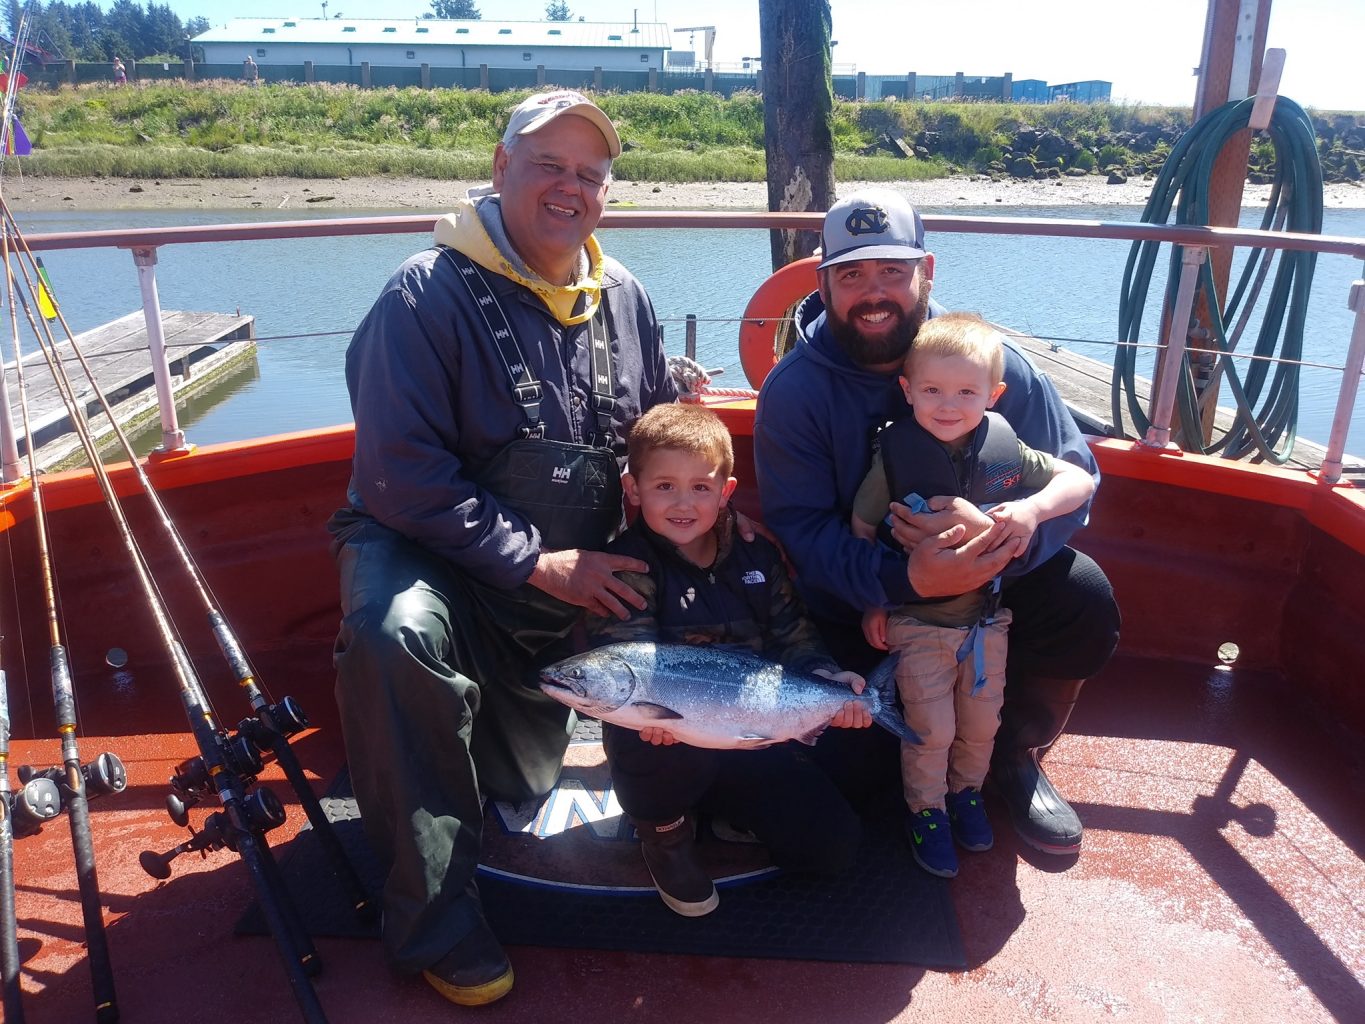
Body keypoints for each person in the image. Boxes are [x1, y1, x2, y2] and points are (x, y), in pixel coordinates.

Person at [329, 90, 681, 1008]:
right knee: (392, 634)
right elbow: (402, 476)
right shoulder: (421, 293)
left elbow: (643, 441)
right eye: (549, 166)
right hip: (429, 554)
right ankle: (433, 923)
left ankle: (681, 814)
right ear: (499, 169)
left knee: (695, 615)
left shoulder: (628, 296)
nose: (572, 188)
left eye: (590, 175)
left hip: (553, 575)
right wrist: (536, 563)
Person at [754, 187, 1121, 858]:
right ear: (823, 281)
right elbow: (802, 530)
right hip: (863, 604)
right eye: (852, 273)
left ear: (927, 271)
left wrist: (1000, 541)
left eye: (892, 271)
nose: (874, 292)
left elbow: (1076, 475)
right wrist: (901, 581)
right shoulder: (795, 391)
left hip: (991, 591)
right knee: (856, 781)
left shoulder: (994, 363)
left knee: (1082, 597)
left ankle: (1011, 756)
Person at [589, 403, 869, 916]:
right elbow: (622, 653)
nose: (683, 502)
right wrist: (650, 714)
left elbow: (795, 636)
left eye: (701, 487)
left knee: (832, 848)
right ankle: (665, 834)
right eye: (664, 486)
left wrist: (827, 677)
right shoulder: (627, 564)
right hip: (665, 745)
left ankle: (721, 812)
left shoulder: (757, 555)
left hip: (749, 730)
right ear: (633, 489)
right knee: (648, 731)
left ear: (727, 492)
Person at [850, 312, 1095, 878]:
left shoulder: (1008, 451)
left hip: (987, 626)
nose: (947, 404)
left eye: (966, 391)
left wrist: (1031, 509)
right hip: (919, 627)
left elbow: (1078, 480)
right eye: (932, 390)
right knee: (931, 729)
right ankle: (926, 810)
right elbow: (862, 531)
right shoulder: (893, 457)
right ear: (907, 391)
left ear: (995, 395)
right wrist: (875, 599)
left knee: (981, 725)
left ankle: (968, 794)